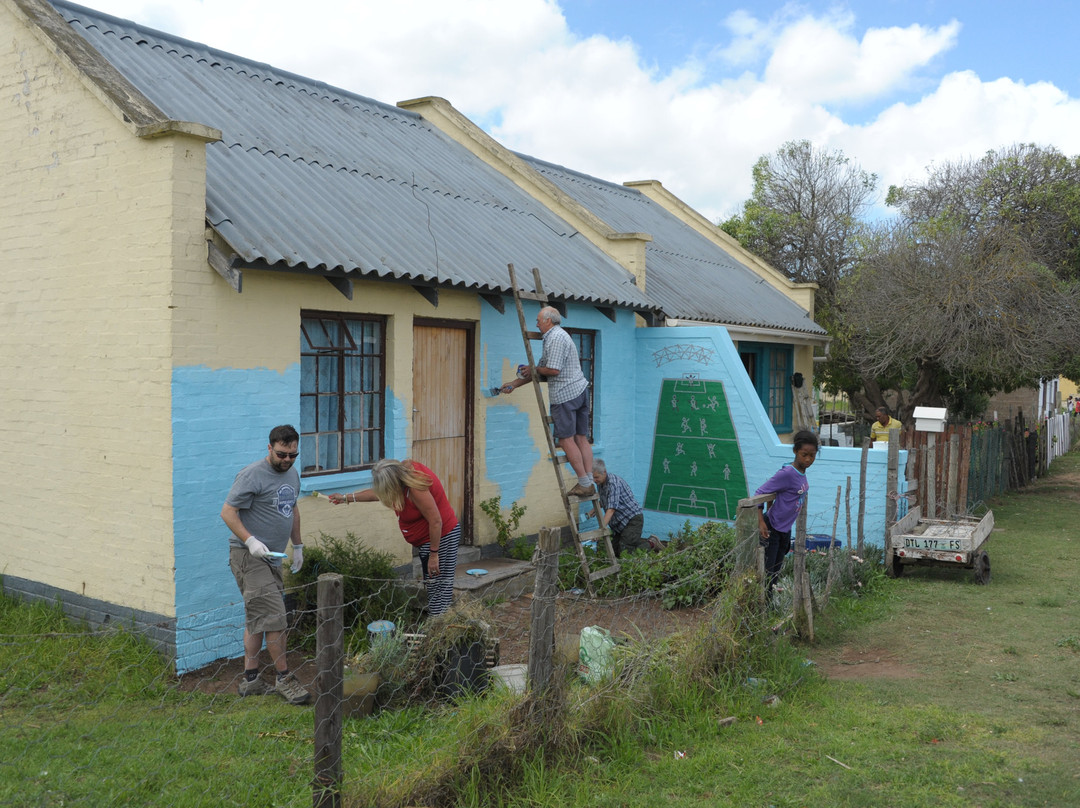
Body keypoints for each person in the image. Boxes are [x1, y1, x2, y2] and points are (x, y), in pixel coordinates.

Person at [220, 424, 310, 704]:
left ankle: (251, 681)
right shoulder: (251, 475)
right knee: (274, 617)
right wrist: (250, 541)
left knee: (258, 617)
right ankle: (284, 678)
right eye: (281, 454)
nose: (287, 460)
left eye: (292, 455)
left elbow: (292, 508)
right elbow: (228, 512)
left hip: (273, 557)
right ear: (270, 448)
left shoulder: (292, 474)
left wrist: (297, 546)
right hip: (249, 556)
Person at [328, 459, 461, 616]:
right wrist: (345, 498)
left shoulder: (415, 489)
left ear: (393, 483)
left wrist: (433, 554)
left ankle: (440, 623)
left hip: (442, 537)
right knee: (433, 585)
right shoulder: (400, 476)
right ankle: (439, 619)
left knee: (439, 587)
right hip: (429, 541)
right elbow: (377, 494)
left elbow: (436, 521)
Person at [501, 306, 595, 498]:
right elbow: (541, 370)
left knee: (565, 439)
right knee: (581, 437)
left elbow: (552, 370)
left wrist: (533, 368)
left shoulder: (555, 338)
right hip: (579, 391)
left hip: (565, 394)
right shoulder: (557, 336)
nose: (536, 324)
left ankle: (585, 484)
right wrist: (514, 384)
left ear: (548, 321)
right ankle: (590, 481)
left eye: (538, 320)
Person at [754, 430, 819, 595]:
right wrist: (761, 521)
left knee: (776, 571)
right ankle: (762, 604)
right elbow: (760, 492)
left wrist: (771, 506)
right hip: (772, 528)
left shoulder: (801, 472)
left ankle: (769, 603)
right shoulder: (788, 473)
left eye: (812, 455)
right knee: (768, 572)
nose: (808, 459)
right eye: (804, 455)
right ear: (795, 451)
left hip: (785, 529)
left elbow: (779, 492)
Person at [588, 459, 658, 556]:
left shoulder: (613, 484)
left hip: (632, 519)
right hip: (619, 523)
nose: (594, 480)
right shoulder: (601, 483)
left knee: (625, 553)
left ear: (604, 472)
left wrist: (600, 530)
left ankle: (651, 543)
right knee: (614, 550)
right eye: (593, 478)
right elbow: (606, 499)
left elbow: (611, 509)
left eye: (596, 477)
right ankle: (636, 542)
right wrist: (594, 510)